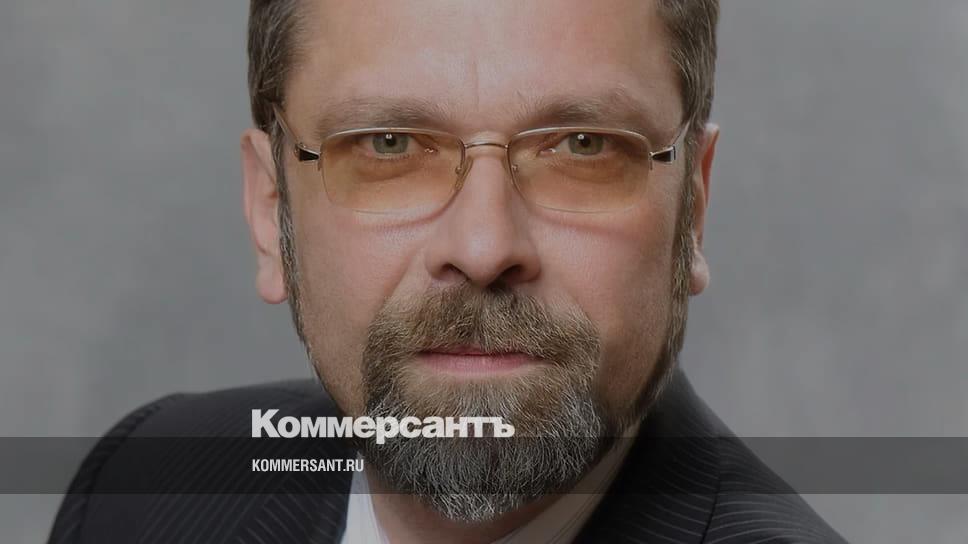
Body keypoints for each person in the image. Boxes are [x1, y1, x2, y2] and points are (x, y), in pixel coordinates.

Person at [50, 1, 847, 542]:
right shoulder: (140, 488)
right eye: (387, 145)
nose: (483, 245)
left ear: (693, 205)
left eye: (582, 147)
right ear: (270, 209)